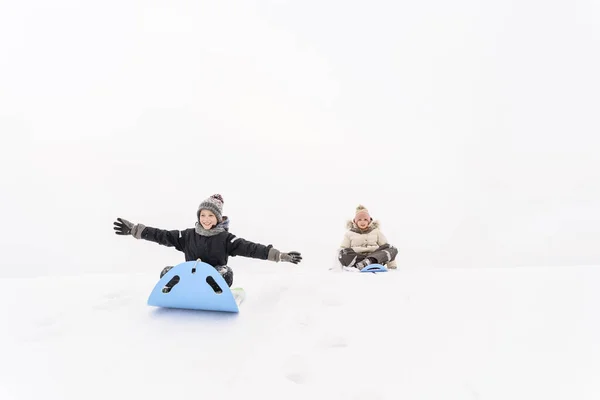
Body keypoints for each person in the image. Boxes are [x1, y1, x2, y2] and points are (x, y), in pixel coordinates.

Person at [113, 194, 302, 291]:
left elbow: (251, 248)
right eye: (203, 215)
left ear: (218, 218)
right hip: (190, 278)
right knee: (167, 271)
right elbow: (161, 235)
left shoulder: (227, 239)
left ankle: (214, 294)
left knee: (226, 273)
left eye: (211, 215)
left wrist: (279, 255)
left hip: (212, 280)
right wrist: (135, 230)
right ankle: (177, 294)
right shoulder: (186, 236)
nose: (206, 219)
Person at [338, 204, 398, 270]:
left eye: (365, 219)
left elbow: (385, 246)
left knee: (391, 248)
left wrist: (392, 266)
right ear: (355, 221)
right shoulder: (349, 234)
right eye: (359, 220)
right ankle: (362, 264)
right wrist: (337, 268)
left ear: (369, 221)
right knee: (343, 252)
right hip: (357, 259)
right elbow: (342, 249)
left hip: (376, 258)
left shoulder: (376, 232)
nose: (362, 222)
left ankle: (370, 261)